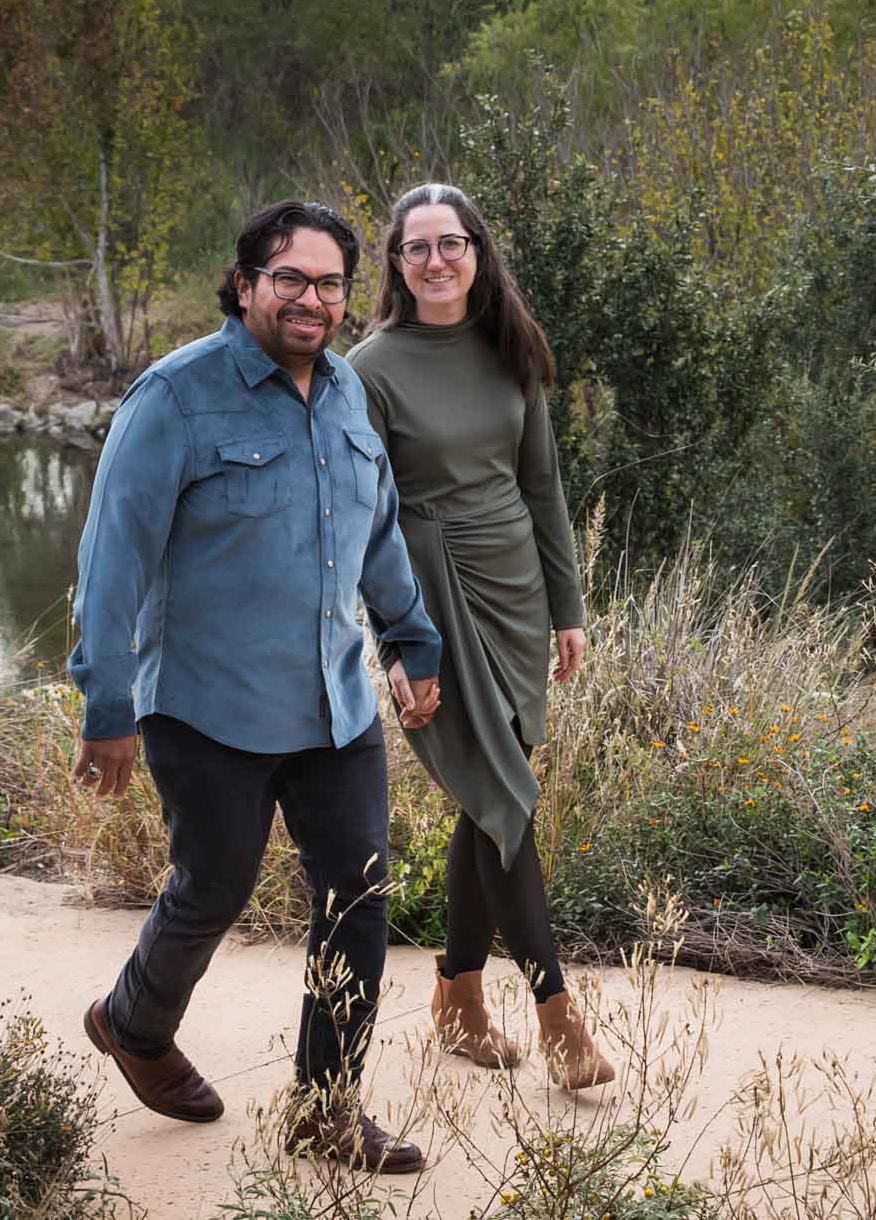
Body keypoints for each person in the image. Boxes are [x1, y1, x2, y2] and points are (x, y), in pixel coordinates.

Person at [68, 200, 444, 1173]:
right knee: (213, 887)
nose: (310, 299)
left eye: (328, 283)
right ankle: (133, 1023)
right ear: (245, 286)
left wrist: (409, 642)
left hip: (333, 704)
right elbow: (112, 562)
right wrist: (104, 706)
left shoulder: (350, 395)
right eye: (290, 278)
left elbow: (375, 531)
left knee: (357, 895)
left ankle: (326, 1109)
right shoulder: (176, 399)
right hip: (205, 706)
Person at [344, 183, 614, 1090]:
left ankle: (457, 994)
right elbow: (366, 516)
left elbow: (543, 487)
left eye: (449, 243)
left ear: (475, 250)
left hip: (514, 591)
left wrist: (567, 607)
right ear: (395, 262)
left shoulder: (512, 349)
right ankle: (558, 1014)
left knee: (490, 799)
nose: (435, 261)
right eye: (416, 248)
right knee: (508, 795)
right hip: (428, 595)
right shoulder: (370, 367)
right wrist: (394, 642)